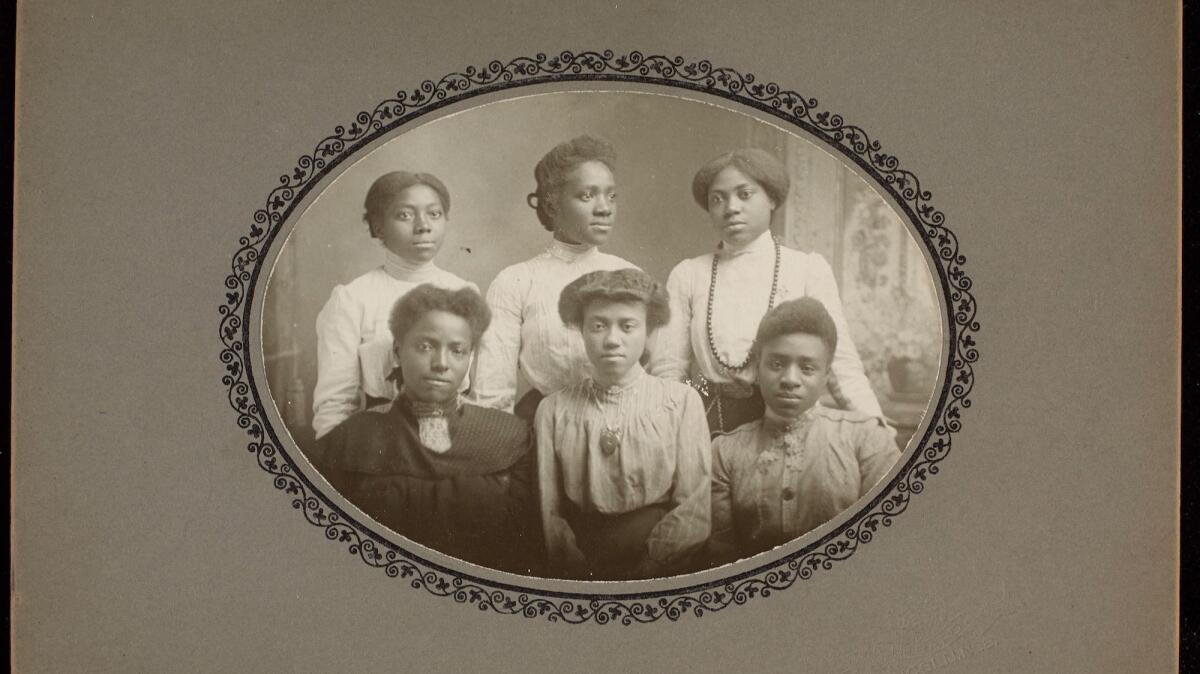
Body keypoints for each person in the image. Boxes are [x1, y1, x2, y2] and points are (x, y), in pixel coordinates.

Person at [647, 148, 884, 435]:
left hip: (790, 425)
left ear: (771, 198)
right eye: (717, 199)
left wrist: (875, 424)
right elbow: (668, 370)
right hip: (709, 425)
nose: (731, 208)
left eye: (744, 194)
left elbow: (841, 364)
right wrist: (678, 429)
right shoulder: (688, 274)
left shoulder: (806, 269)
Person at [318, 285, 540, 576]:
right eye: (425, 346)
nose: (441, 364)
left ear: (470, 358)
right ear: (398, 352)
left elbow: (522, 550)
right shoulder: (351, 439)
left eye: (458, 350)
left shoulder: (511, 437)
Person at [536, 269, 710, 580]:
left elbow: (693, 505)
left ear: (649, 331)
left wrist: (653, 565)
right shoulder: (553, 409)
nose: (612, 340)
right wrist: (574, 568)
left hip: (658, 562)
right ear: (581, 330)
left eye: (628, 326)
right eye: (598, 326)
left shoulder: (681, 402)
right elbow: (549, 511)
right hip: (581, 562)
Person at [707, 297, 899, 567]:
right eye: (776, 364)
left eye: (807, 368)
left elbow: (887, 542)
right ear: (757, 370)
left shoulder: (866, 439)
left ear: (825, 375)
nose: (790, 380)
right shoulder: (725, 452)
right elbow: (721, 554)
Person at [471, 136, 639, 420]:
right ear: (551, 205)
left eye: (611, 196)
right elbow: (492, 394)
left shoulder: (631, 277)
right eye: (587, 196)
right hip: (544, 428)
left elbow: (658, 378)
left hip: (625, 425)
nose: (604, 208)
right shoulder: (516, 281)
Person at [312, 171, 476, 440]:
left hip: (456, 439)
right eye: (405, 215)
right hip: (381, 442)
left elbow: (481, 392)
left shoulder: (465, 293)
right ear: (378, 227)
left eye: (434, 214)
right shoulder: (353, 298)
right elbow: (335, 405)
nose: (423, 226)